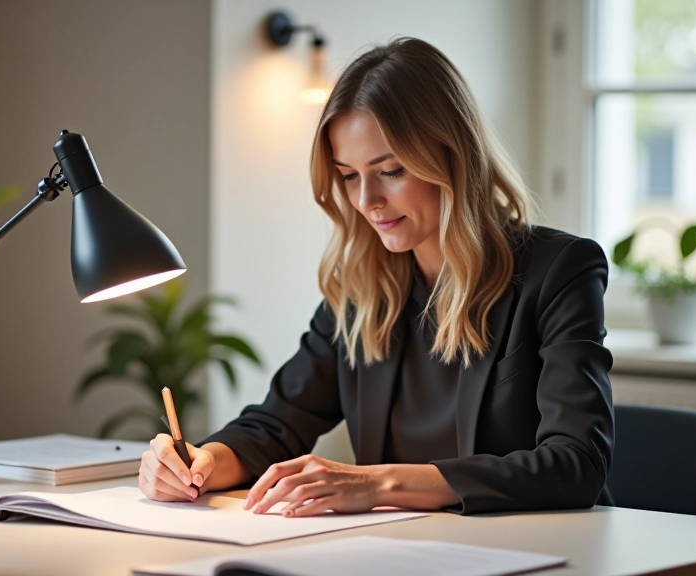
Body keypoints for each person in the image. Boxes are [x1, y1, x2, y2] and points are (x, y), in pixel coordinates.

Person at [139, 37, 614, 517]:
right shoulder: (362, 288)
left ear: (453, 157)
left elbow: (575, 465)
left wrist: (376, 483)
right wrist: (199, 463)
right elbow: (276, 424)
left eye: (389, 170)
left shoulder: (561, 271)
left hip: (537, 550)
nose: (366, 200)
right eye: (348, 175)